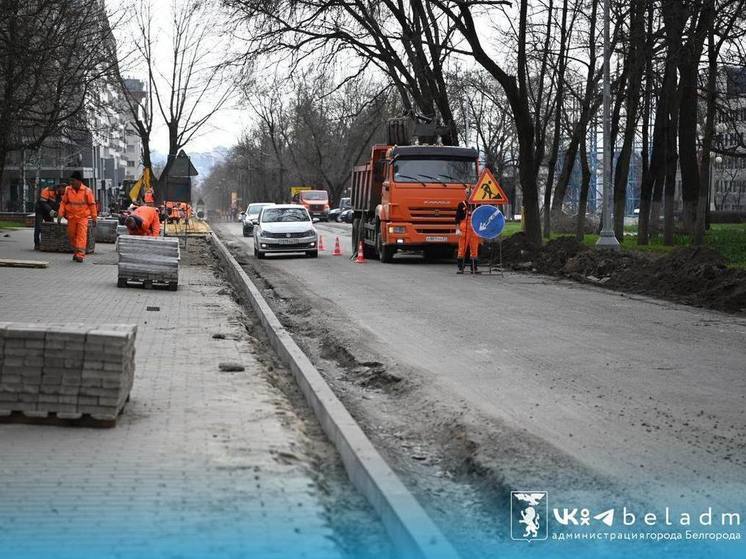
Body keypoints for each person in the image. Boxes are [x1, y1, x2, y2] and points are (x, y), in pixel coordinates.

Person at [58, 171, 97, 262]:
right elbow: (63, 203)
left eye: (73, 181)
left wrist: (94, 218)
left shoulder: (87, 191)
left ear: (79, 181)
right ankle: (76, 252)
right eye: (71, 181)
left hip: (82, 218)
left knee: (81, 235)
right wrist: (60, 214)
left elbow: (92, 205)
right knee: (71, 235)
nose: (71, 183)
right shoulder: (68, 190)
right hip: (71, 217)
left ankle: (80, 255)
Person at [34, 183, 65, 250]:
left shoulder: (62, 195)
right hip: (40, 210)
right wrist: (51, 211)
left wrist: (61, 214)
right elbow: (43, 203)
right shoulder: (47, 190)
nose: (64, 192)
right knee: (38, 226)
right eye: (63, 190)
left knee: (50, 227)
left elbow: (62, 206)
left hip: (50, 211)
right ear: (60, 188)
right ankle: (37, 244)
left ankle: (49, 244)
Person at [455, 194, 481, 274]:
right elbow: (457, 218)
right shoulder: (461, 204)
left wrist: (480, 230)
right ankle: (460, 268)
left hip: (474, 229)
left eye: (470, 193)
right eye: (467, 193)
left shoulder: (478, 205)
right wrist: (457, 229)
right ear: (465, 195)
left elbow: (481, 217)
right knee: (462, 248)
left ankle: (474, 268)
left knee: (474, 249)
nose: (469, 195)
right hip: (464, 230)